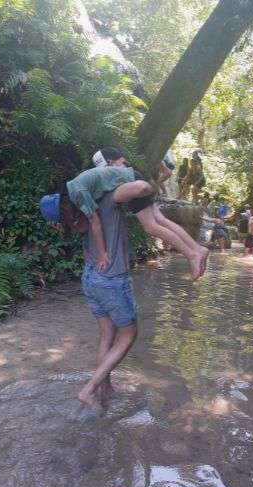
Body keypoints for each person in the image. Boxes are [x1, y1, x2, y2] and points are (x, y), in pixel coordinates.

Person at [43, 147, 209, 280]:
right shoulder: (75, 187)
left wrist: (102, 254)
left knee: (151, 227)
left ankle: (191, 255)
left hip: (132, 182)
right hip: (134, 177)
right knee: (162, 221)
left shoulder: (78, 193)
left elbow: (95, 223)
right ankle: (197, 248)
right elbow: (83, 223)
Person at [73, 186, 140, 408]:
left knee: (107, 334)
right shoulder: (111, 199)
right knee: (128, 336)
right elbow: (139, 187)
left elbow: (85, 249)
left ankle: (105, 388)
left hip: (90, 278)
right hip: (112, 280)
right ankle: (89, 389)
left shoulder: (83, 210)